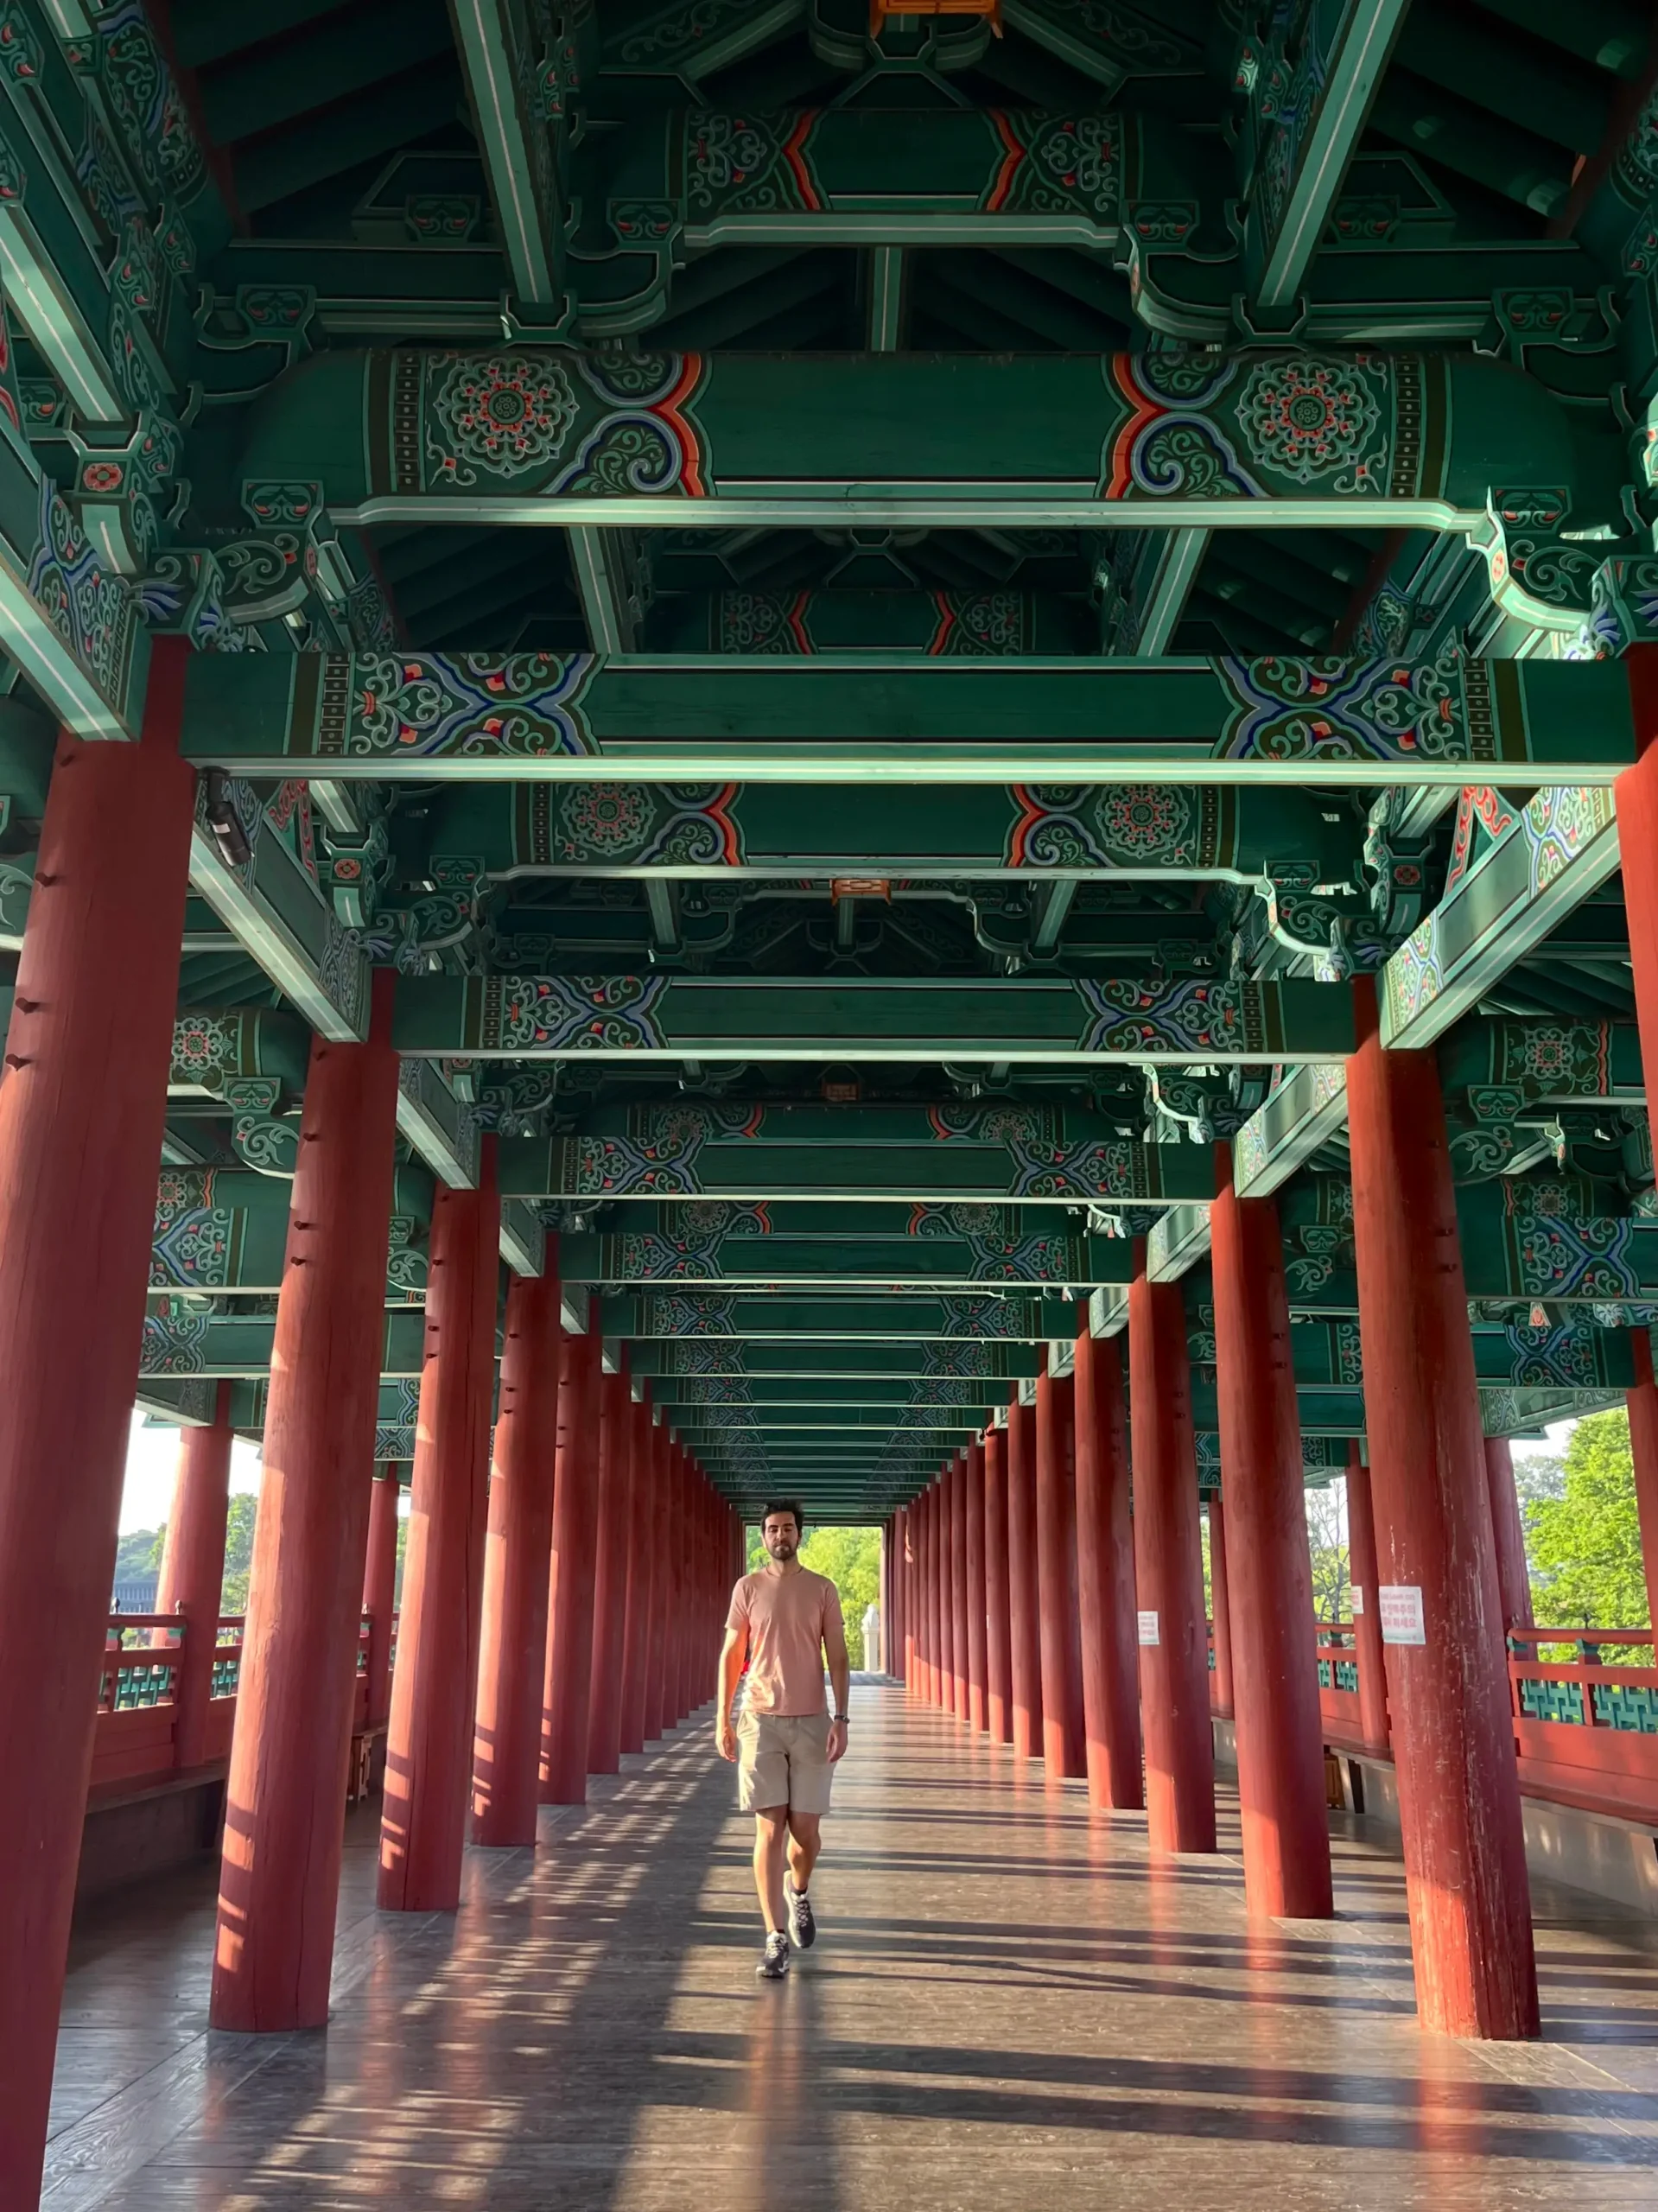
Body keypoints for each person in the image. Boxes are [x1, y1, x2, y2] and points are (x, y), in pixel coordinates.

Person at [716, 1501, 849, 1980]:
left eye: (788, 1528)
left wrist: (843, 1717)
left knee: (805, 1833)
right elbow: (732, 1652)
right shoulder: (747, 1588)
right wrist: (723, 1719)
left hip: (812, 1720)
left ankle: (799, 1889)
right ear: (762, 1537)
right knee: (769, 1828)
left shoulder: (822, 1590)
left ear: (800, 1534)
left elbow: (836, 1652)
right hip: (760, 1721)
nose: (780, 1535)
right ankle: (774, 1936)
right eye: (772, 1529)